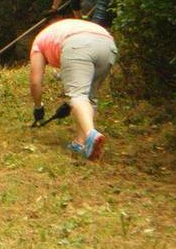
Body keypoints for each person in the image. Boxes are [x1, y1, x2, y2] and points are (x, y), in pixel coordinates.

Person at [29, 18, 118, 160]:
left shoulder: (38, 42)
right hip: (108, 45)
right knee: (89, 97)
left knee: (78, 96)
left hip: (78, 44)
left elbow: (35, 81)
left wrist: (38, 107)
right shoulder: (62, 29)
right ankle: (80, 143)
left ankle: (91, 134)